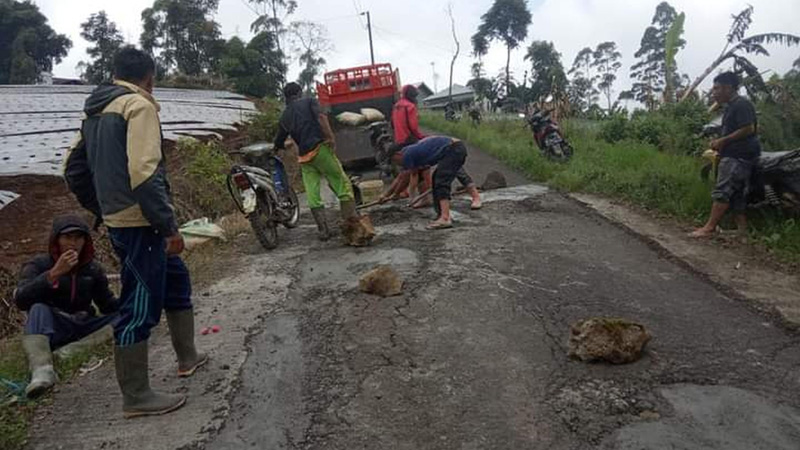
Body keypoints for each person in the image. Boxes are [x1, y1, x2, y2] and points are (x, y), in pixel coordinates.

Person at [64, 46, 207, 418]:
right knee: (138, 305)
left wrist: (103, 208)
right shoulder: (137, 106)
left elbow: (73, 170)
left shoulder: (96, 111)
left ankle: (188, 356)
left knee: (176, 279)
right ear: (149, 77)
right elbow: (145, 174)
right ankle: (137, 396)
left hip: (119, 219)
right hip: (141, 222)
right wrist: (168, 226)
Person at [14, 214, 119, 398]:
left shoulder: (92, 268)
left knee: (127, 315)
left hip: (83, 324)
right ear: (57, 240)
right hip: (54, 326)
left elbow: (107, 304)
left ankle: (71, 352)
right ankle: (42, 371)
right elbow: (21, 300)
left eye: (78, 238)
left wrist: (132, 302)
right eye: (67, 238)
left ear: (85, 241)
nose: (73, 243)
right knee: (38, 308)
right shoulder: (38, 264)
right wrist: (53, 274)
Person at [274, 82, 357, 241]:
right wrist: (330, 137)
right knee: (342, 184)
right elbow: (321, 117)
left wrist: (277, 148)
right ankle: (352, 226)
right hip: (320, 149)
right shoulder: (309, 101)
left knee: (312, 194)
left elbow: (279, 140)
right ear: (299, 92)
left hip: (304, 158)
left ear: (286, 97)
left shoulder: (285, 116)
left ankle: (323, 230)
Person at [691, 72, 762, 238]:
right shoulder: (731, 106)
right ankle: (741, 229)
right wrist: (720, 141)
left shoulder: (741, 104)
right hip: (738, 154)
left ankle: (708, 227)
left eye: (716, 88)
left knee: (722, 191)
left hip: (738, 155)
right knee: (737, 193)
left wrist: (723, 141)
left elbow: (748, 128)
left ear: (728, 88)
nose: (713, 92)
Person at [380, 136, 471, 230]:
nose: (396, 164)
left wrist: (396, 194)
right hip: (453, 148)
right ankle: (441, 215)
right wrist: (386, 195)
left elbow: (405, 178)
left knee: (441, 182)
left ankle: (445, 218)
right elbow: (401, 177)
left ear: (398, 154)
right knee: (436, 180)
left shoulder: (407, 155)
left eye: (394, 160)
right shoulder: (409, 153)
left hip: (453, 148)